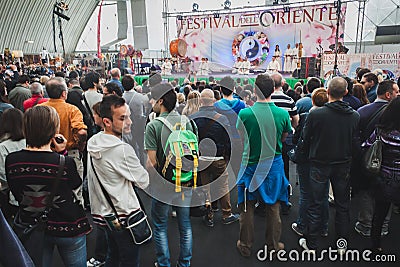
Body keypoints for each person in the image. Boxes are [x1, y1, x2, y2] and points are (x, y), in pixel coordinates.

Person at [6, 105, 92, 267]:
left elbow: (16, 190)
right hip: (68, 226)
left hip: (31, 225)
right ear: (54, 129)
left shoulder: (12, 160)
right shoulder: (64, 162)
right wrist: (62, 153)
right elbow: (76, 184)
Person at [87, 95, 149, 267]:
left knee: (112, 256)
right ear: (106, 121)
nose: (129, 122)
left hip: (103, 215)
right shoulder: (122, 150)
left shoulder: (93, 142)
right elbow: (143, 181)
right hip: (124, 215)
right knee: (129, 260)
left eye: (128, 116)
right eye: (123, 118)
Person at [299, 77, 359, 253]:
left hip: (319, 163)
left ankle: (312, 244)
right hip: (343, 165)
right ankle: (341, 246)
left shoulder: (316, 114)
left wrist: (301, 155)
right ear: (346, 92)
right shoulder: (354, 116)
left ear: (327, 91)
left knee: (316, 203)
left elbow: (305, 138)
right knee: (342, 206)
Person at [236, 74, 291, 257]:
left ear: (254, 91)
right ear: (274, 89)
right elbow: (283, 138)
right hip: (273, 166)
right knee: (273, 207)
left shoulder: (245, 113)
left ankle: (245, 245)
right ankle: (273, 245)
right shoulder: (283, 114)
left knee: (247, 207)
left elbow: (243, 138)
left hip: (249, 165)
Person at [145, 83, 195, 267]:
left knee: (160, 225)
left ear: (160, 101)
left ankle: (164, 263)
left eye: (153, 99)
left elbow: (152, 162)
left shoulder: (153, 126)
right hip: (185, 179)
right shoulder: (186, 121)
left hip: (162, 183)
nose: (151, 102)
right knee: (185, 225)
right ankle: (184, 263)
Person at [353, 80, 399, 237]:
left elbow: (356, 137)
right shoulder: (395, 115)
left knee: (367, 191)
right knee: (387, 196)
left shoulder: (362, 111)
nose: (399, 94)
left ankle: (366, 224)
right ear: (388, 94)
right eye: (397, 92)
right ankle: (383, 226)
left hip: (368, 160)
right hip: (392, 167)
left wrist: (361, 155)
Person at [190, 89, 239, 227]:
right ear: (214, 101)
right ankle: (226, 213)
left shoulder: (193, 118)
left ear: (200, 101)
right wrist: (226, 156)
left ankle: (209, 214)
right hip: (218, 158)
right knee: (223, 186)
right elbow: (228, 140)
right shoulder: (222, 118)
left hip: (201, 158)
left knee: (205, 187)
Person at [40, 77, 88, 203]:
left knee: (49, 191)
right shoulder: (72, 109)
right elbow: (82, 131)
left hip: (45, 154)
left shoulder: (40, 108)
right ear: (64, 93)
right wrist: (81, 144)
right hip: (70, 154)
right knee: (75, 192)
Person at [291, 88, 329, 238]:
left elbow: (298, 139)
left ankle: (302, 225)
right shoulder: (332, 117)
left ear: (312, 101)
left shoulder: (307, 116)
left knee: (306, 194)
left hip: (306, 159)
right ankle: (323, 226)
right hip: (324, 160)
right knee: (323, 194)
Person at [368, 97, 400, 254]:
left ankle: (376, 246)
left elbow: (367, 146)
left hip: (384, 178)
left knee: (379, 214)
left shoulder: (382, 132)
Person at [214, 76, 246, 178]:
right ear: (233, 88)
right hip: (237, 139)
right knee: (237, 168)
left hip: (222, 141)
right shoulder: (241, 104)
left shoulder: (216, 106)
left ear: (220, 89)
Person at [0, 108, 25, 219]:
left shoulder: (3, 146)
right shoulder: (29, 141)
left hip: (12, 196)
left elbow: (3, 173)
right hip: (32, 194)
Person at [122, 74, 148, 166]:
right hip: (139, 126)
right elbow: (144, 113)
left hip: (125, 127)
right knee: (140, 148)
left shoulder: (121, 98)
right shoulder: (140, 97)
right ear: (133, 84)